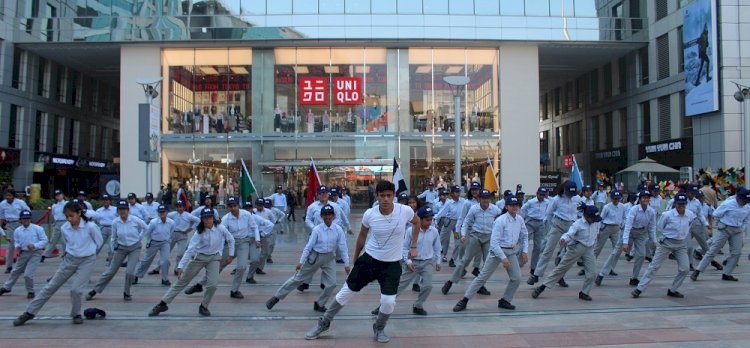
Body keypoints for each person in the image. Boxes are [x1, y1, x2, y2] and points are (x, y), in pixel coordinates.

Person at [305, 181, 420, 343]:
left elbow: (417, 222)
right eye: (382, 196)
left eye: (389, 195)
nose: (386, 199)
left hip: (392, 264)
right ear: (377, 196)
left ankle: (379, 327)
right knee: (345, 293)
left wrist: (413, 245)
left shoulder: (405, 211)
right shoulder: (370, 214)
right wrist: (354, 260)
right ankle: (324, 322)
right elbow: (361, 237)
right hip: (369, 260)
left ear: (393, 196)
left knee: (388, 302)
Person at [13, 202, 103, 326]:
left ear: (79, 213)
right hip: (70, 259)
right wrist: (69, 254)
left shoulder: (91, 227)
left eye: (72, 216)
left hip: (87, 260)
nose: (69, 219)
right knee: (50, 286)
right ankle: (29, 312)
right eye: (67, 216)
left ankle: (76, 314)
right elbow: (67, 243)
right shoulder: (64, 228)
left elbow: (99, 242)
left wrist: (90, 253)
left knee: (76, 290)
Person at [148, 207, 235, 317]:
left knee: (212, 285)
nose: (207, 220)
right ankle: (162, 304)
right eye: (205, 218)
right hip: (200, 257)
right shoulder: (199, 232)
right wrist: (181, 266)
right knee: (182, 281)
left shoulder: (220, 228)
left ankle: (203, 306)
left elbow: (231, 239)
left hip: (214, 258)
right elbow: (190, 250)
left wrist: (231, 254)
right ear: (202, 219)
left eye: (209, 218)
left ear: (213, 218)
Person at [267, 204, 350, 312]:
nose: (328, 217)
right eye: (325, 215)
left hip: (329, 258)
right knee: (298, 279)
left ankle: (320, 304)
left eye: (330, 215)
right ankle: (276, 297)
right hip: (315, 257)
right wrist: (301, 262)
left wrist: (347, 265)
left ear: (333, 216)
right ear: (321, 216)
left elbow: (343, 247)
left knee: (332, 284)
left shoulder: (338, 229)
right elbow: (308, 247)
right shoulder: (317, 230)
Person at [453, 196, 527, 312]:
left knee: (517, 278)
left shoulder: (519, 219)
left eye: (516, 205)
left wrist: (525, 250)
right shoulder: (500, 221)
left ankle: (505, 300)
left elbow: (525, 235)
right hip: (497, 252)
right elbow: (494, 243)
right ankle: (464, 300)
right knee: (482, 277)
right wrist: (503, 258)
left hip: (511, 251)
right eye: (512, 205)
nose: (514, 207)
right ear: (506, 207)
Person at [367, 206, 440, 316]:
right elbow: (404, 248)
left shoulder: (434, 231)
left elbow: (437, 247)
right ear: (419, 219)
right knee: (399, 285)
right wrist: (408, 262)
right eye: (427, 220)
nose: (430, 222)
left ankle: (418, 306)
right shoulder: (411, 231)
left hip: (427, 262)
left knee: (428, 286)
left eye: (431, 219)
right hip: (412, 263)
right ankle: (383, 306)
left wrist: (438, 261)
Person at [185, 197, 260, 298]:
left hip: (243, 243)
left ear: (238, 205)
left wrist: (257, 239)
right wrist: (222, 253)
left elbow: (254, 227)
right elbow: (220, 236)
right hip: (229, 244)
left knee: (242, 267)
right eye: (230, 206)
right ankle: (199, 285)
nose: (233, 208)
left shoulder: (247, 215)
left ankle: (234, 290)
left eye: (235, 206)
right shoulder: (225, 219)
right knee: (218, 266)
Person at [532, 204, 602, 301]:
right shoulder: (578, 224)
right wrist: (563, 239)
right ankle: (541, 287)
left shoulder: (596, 222)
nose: (595, 220)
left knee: (592, 273)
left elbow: (597, 230)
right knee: (561, 268)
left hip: (589, 248)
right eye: (593, 218)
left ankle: (584, 292)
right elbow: (569, 233)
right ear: (586, 216)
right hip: (576, 248)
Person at [632, 192, 694, 299]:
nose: (681, 207)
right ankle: (639, 289)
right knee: (654, 266)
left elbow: (689, 225)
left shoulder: (690, 215)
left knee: (685, 268)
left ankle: (673, 289)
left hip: (680, 243)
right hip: (666, 242)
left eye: (683, 204)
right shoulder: (668, 215)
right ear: (675, 204)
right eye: (679, 204)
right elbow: (660, 227)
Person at [441, 189, 500, 296]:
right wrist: (463, 234)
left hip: (488, 238)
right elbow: (466, 221)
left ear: (490, 199)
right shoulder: (474, 208)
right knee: (465, 260)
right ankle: (450, 282)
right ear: (480, 199)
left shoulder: (495, 209)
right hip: (475, 236)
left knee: (488, 263)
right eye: (483, 198)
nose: (485, 200)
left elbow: (501, 219)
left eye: (487, 198)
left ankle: (480, 286)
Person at [86, 200, 147, 302]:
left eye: (124, 209)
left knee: (129, 272)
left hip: (134, 248)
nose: (122, 211)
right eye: (120, 209)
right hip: (121, 248)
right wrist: (113, 248)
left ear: (128, 210)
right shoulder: (115, 222)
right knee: (110, 271)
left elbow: (146, 228)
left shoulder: (135, 220)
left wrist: (139, 237)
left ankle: (126, 292)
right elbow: (113, 237)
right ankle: (95, 290)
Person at [527, 181, 581, 287]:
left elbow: (581, 211)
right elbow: (549, 213)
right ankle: (536, 275)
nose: (571, 196)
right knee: (548, 251)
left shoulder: (577, 199)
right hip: (557, 225)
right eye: (569, 193)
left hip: (570, 226)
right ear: (564, 190)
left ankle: (560, 276)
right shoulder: (557, 199)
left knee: (567, 254)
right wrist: (551, 227)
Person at [691, 187, 750, 282]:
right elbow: (716, 214)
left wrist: (741, 228)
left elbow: (747, 220)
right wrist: (721, 224)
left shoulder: (747, 206)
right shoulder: (728, 204)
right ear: (739, 198)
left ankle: (727, 274)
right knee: (712, 251)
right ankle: (697, 271)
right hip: (724, 229)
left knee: (737, 253)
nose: (745, 203)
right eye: (744, 200)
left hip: (737, 231)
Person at [0, 210, 48, 298]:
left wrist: (35, 245)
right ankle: (7, 287)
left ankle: (30, 291)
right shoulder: (18, 230)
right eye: (24, 219)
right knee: (15, 271)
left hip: (35, 253)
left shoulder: (37, 229)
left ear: (30, 219)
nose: (26, 220)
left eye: (27, 218)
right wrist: (17, 246)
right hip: (23, 253)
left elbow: (44, 240)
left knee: (28, 274)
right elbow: (17, 241)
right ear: (20, 220)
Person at [621, 190, 657, 286]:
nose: (646, 199)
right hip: (630, 231)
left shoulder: (651, 211)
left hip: (641, 233)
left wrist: (654, 241)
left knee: (641, 255)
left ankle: (634, 278)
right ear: (640, 199)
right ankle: (602, 274)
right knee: (616, 252)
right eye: (644, 197)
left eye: (647, 197)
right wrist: (625, 242)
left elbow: (652, 227)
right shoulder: (634, 209)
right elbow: (628, 225)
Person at [134, 205, 175, 286]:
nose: (162, 214)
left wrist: (167, 241)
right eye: (160, 212)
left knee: (165, 261)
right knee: (146, 260)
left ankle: (165, 279)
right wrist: (141, 240)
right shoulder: (153, 222)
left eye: (164, 212)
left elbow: (171, 232)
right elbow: (147, 232)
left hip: (165, 242)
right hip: (154, 242)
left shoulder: (171, 222)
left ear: (167, 213)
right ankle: (136, 276)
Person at [593, 191, 628, 285]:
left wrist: (622, 225)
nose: (616, 200)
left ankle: (610, 268)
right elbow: (601, 219)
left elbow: (625, 217)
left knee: (616, 250)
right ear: (611, 198)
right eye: (615, 199)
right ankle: (588, 267)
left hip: (616, 228)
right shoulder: (607, 207)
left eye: (618, 199)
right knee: (597, 249)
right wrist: (597, 231)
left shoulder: (622, 206)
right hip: (606, 227)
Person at [519, 187, 550, 276]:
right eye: (541, 195)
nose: (542, 197)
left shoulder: (547, 202)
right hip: (530, 222)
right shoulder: (531, 202)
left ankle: (533, 267)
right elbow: (522, 210)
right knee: (524, 243)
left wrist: (544, 219)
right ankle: (518, 263)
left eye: (544, 195)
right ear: (537, 194)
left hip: (540, 223)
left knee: (538, 246)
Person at [0, 189, 31, 273]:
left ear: (13, 196)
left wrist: (25, 222)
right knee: (11, 245)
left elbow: (27, 211)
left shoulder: (20, 203)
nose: (8, 197)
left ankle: (22, 266)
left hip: (20, 223)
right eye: (6, 195)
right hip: (10, 225)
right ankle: (9, 266)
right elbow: (1, 217)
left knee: (22, 244)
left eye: (9, 195)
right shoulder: (2, 204)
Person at [42, 190, 68, 261]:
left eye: (60, 195)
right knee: (53, 239)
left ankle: (65, 255)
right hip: (57, 222)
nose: (58, 197)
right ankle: (45, 254)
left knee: (64, 240)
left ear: (63, 195)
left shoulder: (66, 203)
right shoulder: (54, 206)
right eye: (57, 195)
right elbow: (53, 214)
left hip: (65, 222)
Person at [94, 195, 118, 259]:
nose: (105, 201)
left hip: (112, 228)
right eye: (103, 200)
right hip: (102, 228)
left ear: (110, 201)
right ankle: (89, 261)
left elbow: (119, 218)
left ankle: (111, 266)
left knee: (111, 248)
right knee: (98, 246)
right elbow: (96, 220)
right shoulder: (99, 210)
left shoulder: (115, 209)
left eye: (107, 200)